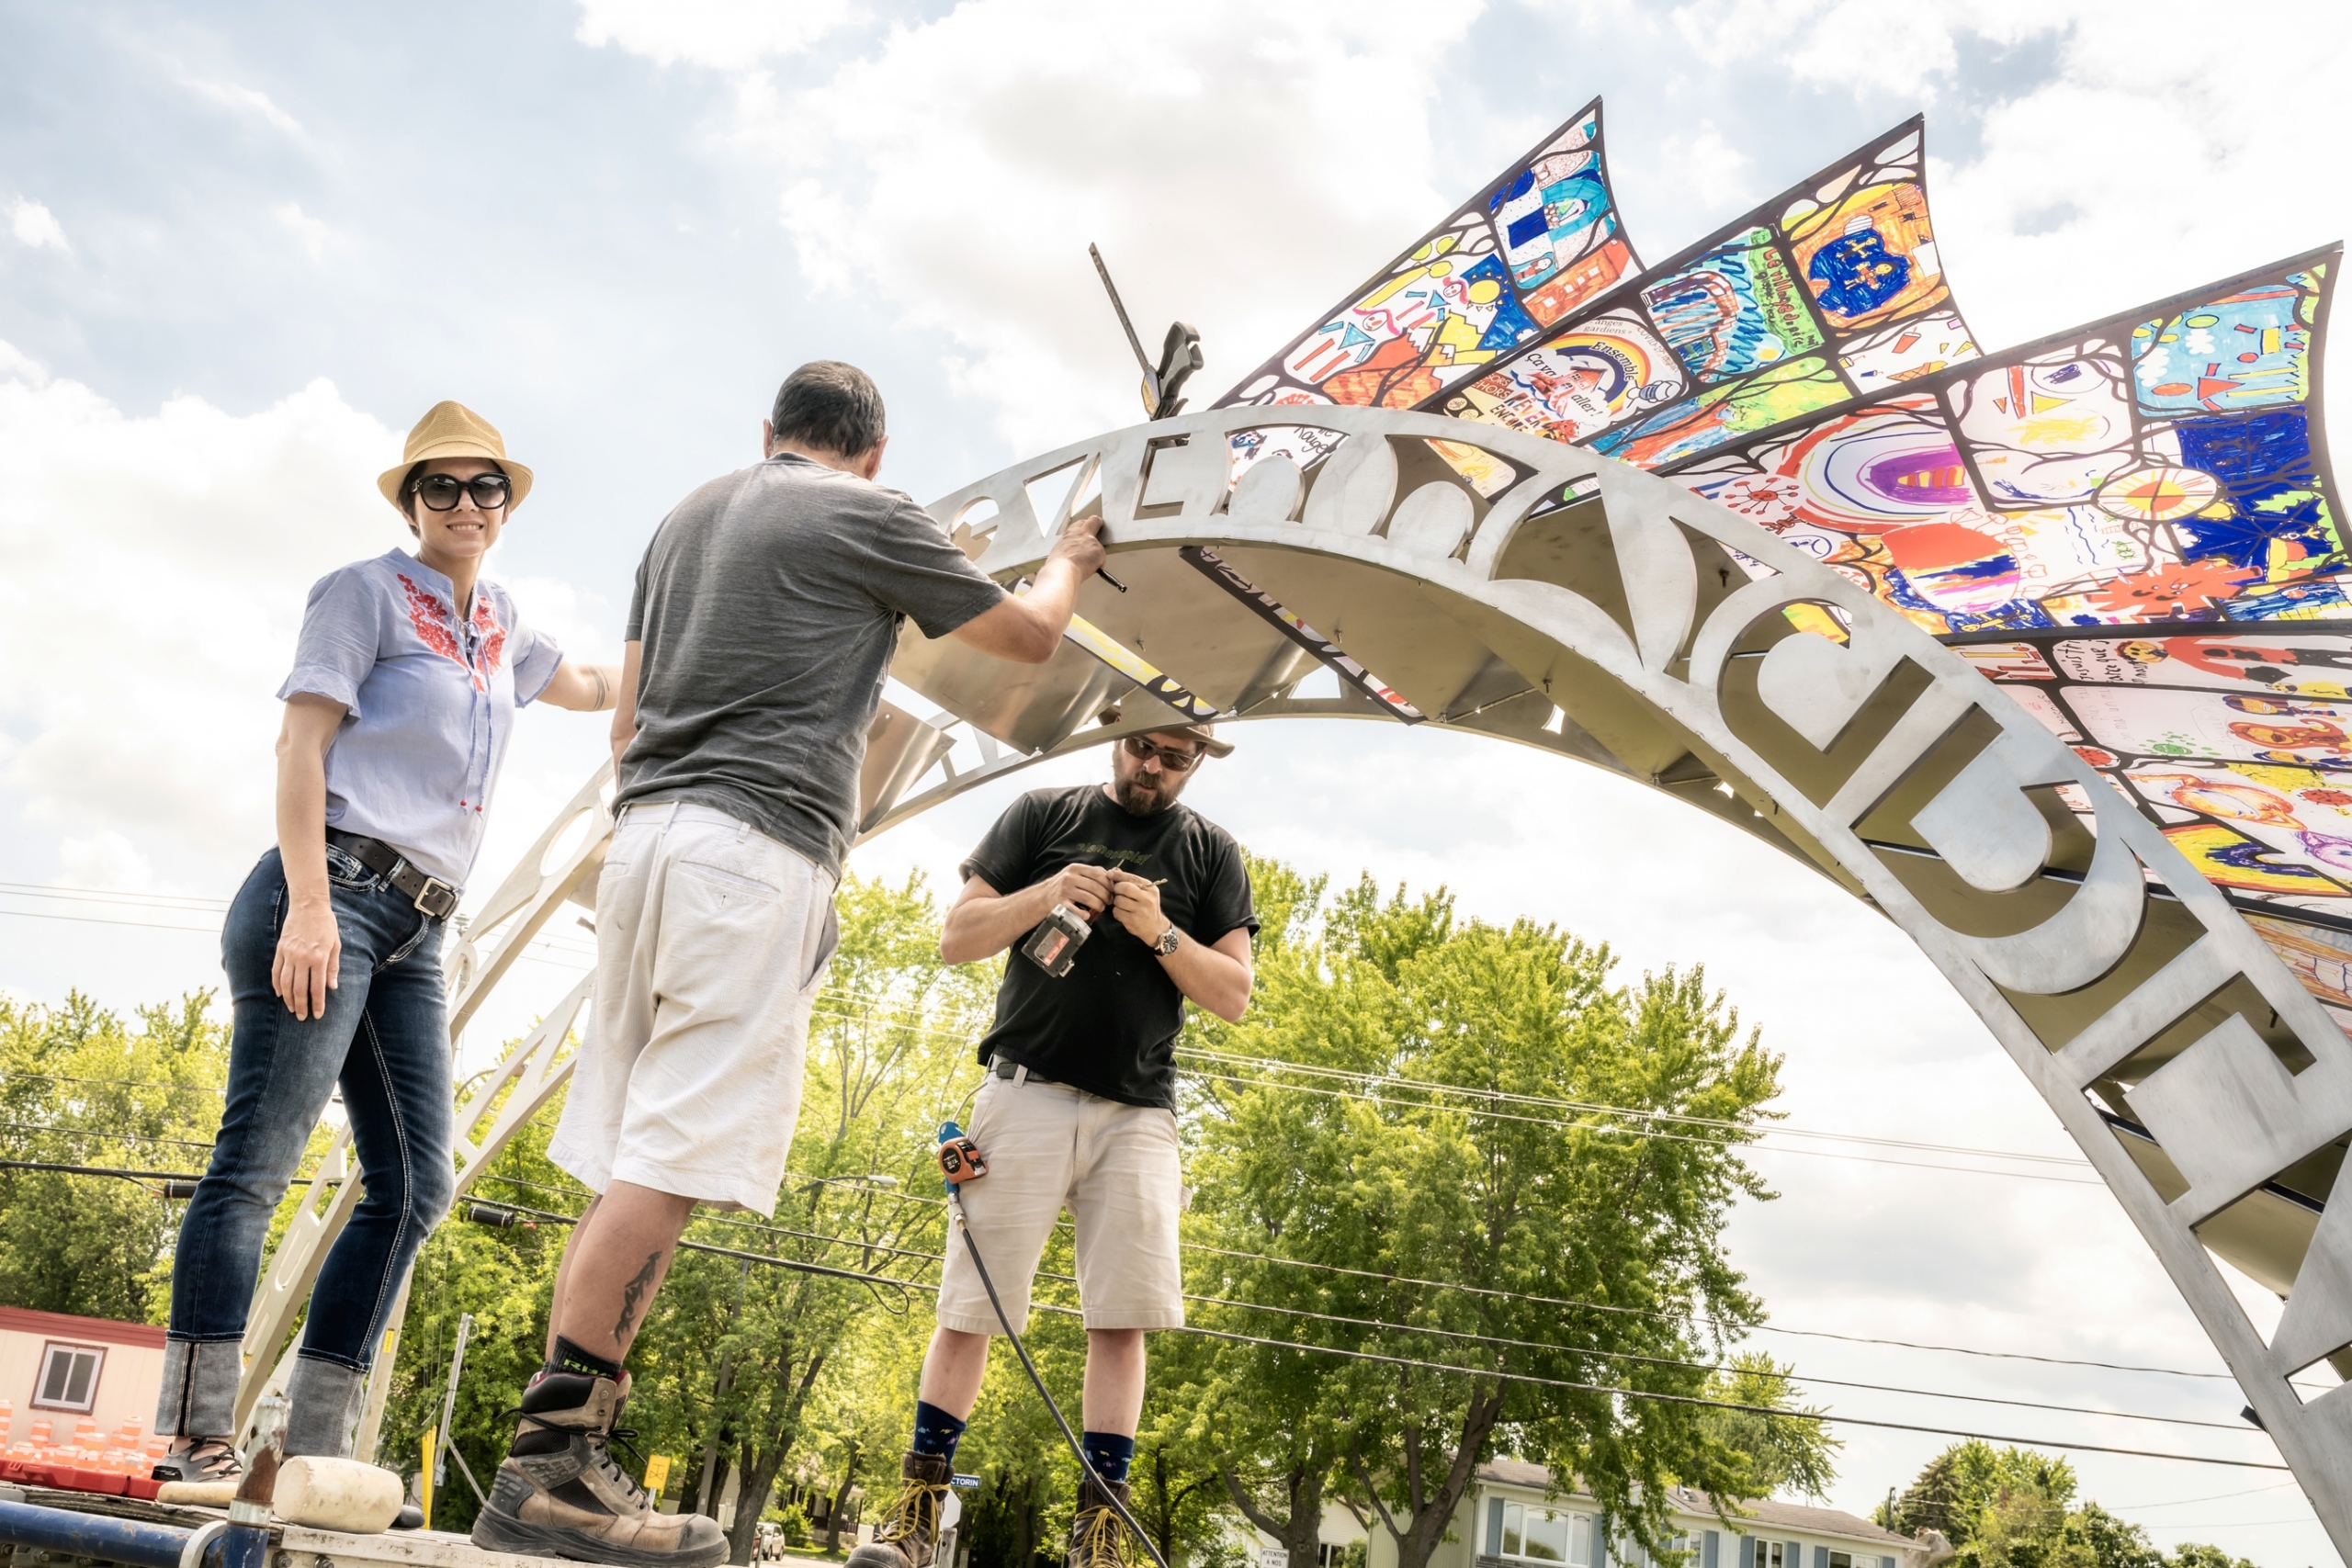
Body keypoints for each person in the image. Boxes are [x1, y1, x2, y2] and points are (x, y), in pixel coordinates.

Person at [471, 361, 1105, 1566]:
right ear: (872, 452)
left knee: (628, 1161)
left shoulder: (688, 516)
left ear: (768, 434)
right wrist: (1069, 553)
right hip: (749, 857)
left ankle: (558, 1464)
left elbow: (626, 720)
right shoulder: (869, 514)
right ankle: (548, 1478)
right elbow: (1025, 637)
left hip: (646, 838)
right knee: (673, 1160)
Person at [154, 402, 620, 1479]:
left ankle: (314, 1450)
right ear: (411, 502)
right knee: (255, 1168)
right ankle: (195, 1434)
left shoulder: (502, 620)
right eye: (441, 488)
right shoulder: (360, 593)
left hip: (421, 928)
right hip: (331, 897)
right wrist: (312, 908)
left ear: (506, 505)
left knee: (413, 1185)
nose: (465, 505)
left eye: (484, 488)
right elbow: (299, 746)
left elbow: (594, 689)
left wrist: (694, 632)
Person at [848, 723, 1255, 1568]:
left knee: (1124, 1317)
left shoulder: (1214, 852)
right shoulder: (1040, 812)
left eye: (1175, 757)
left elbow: (1235, 994)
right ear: (1120, 738)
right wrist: (1046, 893)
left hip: (1139, 1112)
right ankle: (919, 1514)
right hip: (1023, 1087)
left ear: (1197, 765)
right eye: (1143, 745)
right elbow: (957, 936)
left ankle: (1099, 1535)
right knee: (974, 1305)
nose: (1153, 765)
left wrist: (1161, 932)